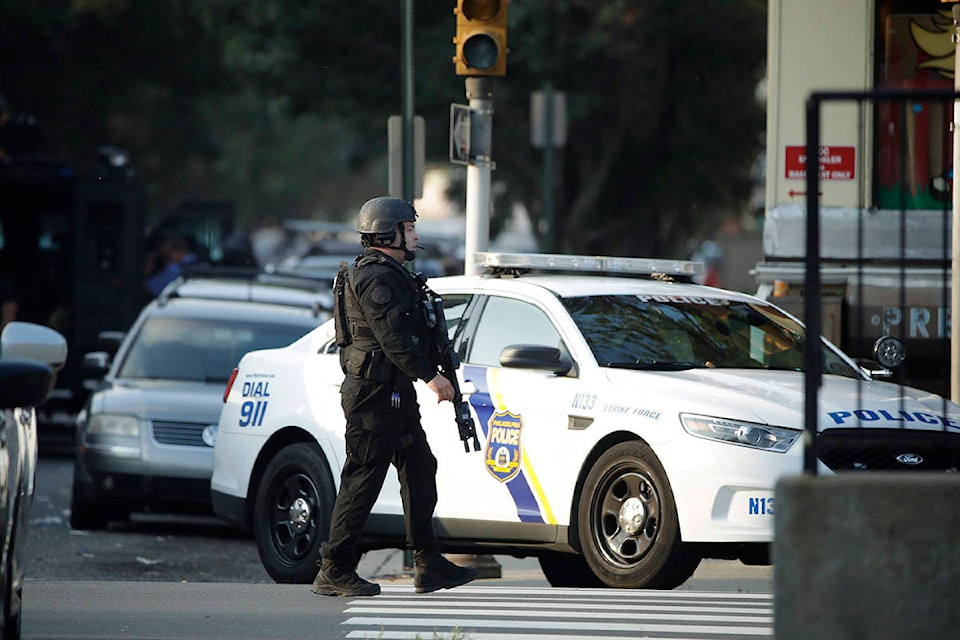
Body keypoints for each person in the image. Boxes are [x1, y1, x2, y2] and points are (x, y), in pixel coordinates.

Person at [311, 196, 478, 597]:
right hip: (374, 395)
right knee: (363, 477)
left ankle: (428, 564)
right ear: (390, 232)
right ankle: (334, 568)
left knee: (420, 469)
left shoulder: (394, 274)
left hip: (394, 394)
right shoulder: (376, 278)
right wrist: (431, 377)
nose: (415, 235)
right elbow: (392, 337)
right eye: (410, 228)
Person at [145, 231, 198, 297]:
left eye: (166, 252)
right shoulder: (198, 263)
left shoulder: (174, 270)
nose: (166, 257)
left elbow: (149, 289)